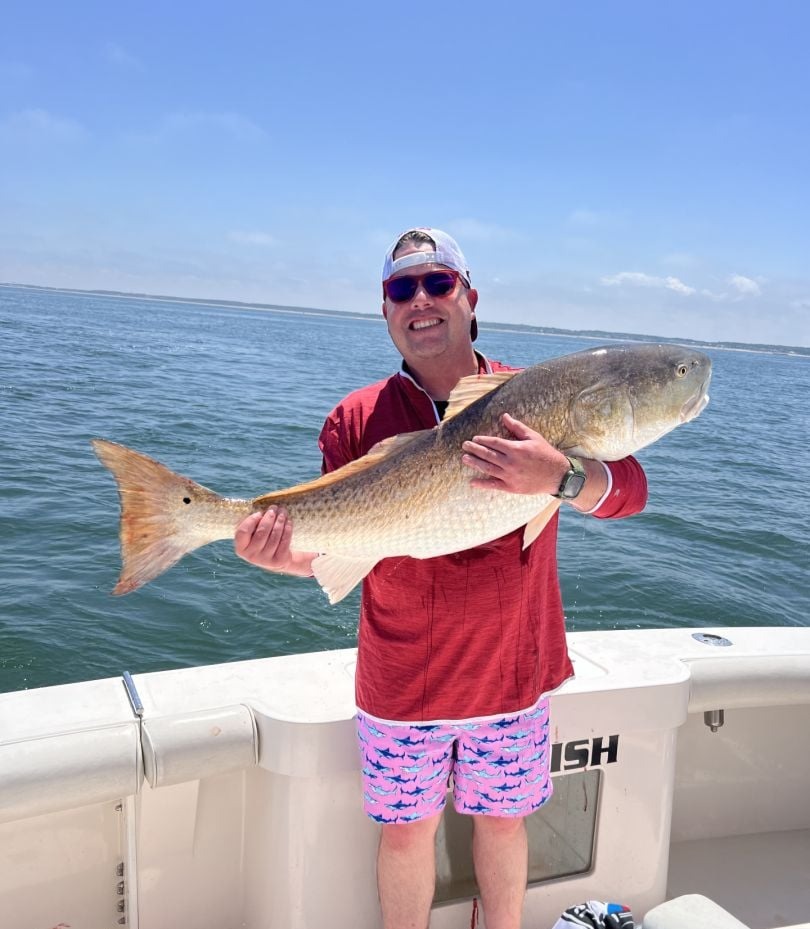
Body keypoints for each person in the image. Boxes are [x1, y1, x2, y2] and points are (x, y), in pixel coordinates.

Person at [234, 228, 648, 929]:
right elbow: (333, 546)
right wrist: (282, 555)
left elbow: (629, 491)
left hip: (513, 672)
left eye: (437, 283)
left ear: (469, 297)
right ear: (386, 310)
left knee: (504, 825)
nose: (420, 300)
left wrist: (560, 476)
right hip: (401, 681)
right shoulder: (356, 417)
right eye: (402, 289)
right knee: (405, 835)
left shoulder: (536, 397)